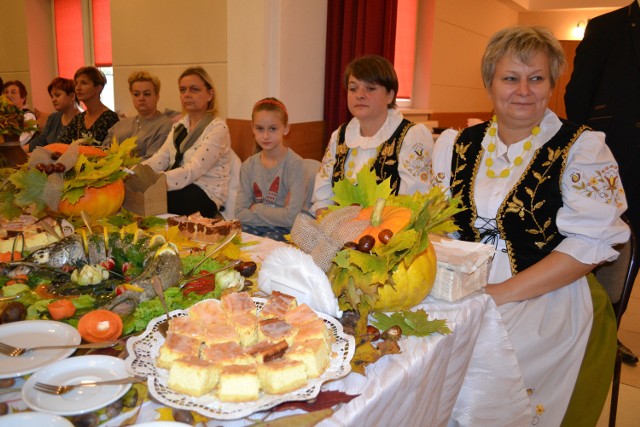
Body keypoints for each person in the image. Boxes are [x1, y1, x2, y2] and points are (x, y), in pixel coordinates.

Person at [431, 26, 629, 426]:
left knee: (486, 365)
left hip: (547, 291)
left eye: (536, 78)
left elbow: (590, 244)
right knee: (417, 351)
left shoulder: (582, 147)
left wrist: (499, 294)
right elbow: (440, 227)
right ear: (490, 83)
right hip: (466, 283)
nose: (524, 90)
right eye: (510, 78)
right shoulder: (456, 143)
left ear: (551, 83)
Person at [564, 2, 640, 366]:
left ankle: (611, 331)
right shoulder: (606, 27)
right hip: (613, 163)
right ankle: (581, 331)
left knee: (629, 261)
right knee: (595, 250)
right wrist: (583, 153)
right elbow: (578, 96)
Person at [311, 55, 433, 216]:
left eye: (370, 88)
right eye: (353, 88)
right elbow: (323, 197)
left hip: (390, 235)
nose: (360, 95)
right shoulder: (339, 136)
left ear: (389, 95)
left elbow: (413, 205)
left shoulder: (411, 136)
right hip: (339, 231)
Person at [143, 66, 232, 218]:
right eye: (182, 90)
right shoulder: (179, 126)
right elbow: (160, 158)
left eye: (194, 89)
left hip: (205, 195)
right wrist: (135, 173)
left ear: (210, 94)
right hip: (179, 188)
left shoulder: (218, 128)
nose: (187, 95)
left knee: (156, 200)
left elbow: (193, 170)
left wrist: (158, 182)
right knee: (135, 195)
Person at [235, 98, 305, 241]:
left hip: (284, 230)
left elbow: (291, 218)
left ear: (285, 128)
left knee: (268, 245)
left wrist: (256, 208)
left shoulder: (294, 164)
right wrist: (278, 213)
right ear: (253, 128)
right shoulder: (248, 166)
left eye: (273, 129)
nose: (265, 136)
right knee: (234, 241)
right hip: (253, 227)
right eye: (260, 129)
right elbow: (240, 213)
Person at [103, 71, 172, 159]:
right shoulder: (121, 124)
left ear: (157, 97)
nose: (141, 98)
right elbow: (105, 150)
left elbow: (154, 160)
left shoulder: (165, 126)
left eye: (147, 94)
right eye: (136, 94)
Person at [59, 66, 119, 144]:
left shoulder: (109, 118)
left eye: (84, 83)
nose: (77, 88)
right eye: (76, 84)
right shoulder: (78, 119)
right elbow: (61, 145)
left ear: (98, 88)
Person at [29, 77, 81, 150]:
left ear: (72, 96)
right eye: (52, 96)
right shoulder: (54, 117)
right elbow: (39, 142)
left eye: (57, 95)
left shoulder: (82, 120)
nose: (53, 100)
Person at [2, 80, 37, 148]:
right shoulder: (3, 116)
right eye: (6, 92)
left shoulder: (29, 116)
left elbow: (19, 143)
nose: (8, 95)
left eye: (13, 92)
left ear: (23, 98)